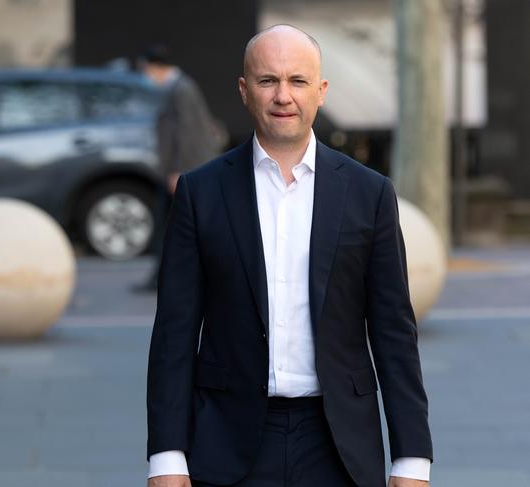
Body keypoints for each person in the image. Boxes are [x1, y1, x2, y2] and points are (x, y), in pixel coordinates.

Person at [147, 24, 432, 487]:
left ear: (320, 92)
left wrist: (412, 459)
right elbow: (174, 334)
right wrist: (166, 456)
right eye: (267, 81)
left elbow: (394, 332)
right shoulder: (201, 193)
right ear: (244, 90)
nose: (283, 96)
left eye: (297, 81)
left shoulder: (369, 193)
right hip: (227, 439)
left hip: (338, 445)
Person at [133, 44, 225, 292]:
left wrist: (178, 171)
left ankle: (167, 278)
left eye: (146, 70)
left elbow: (189, 133)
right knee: (171, 226)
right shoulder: (177, 88)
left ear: (154, 67)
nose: (146, 76)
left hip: (183, 172)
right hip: (179, 171)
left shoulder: (182, 89)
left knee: (174, 227)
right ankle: (162, 277)